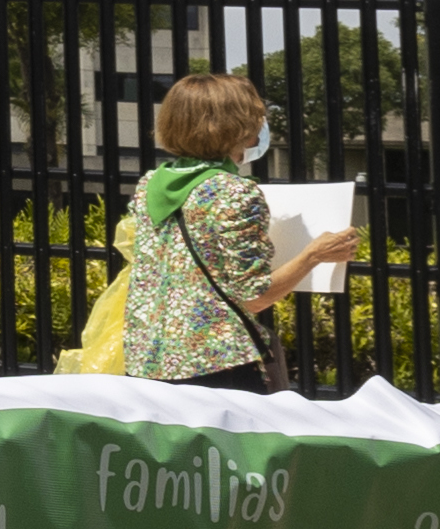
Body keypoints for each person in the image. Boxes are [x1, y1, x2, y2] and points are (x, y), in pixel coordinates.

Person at [122, 70, 365, 393]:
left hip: (148, 361)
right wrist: (313, 255)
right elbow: (255, 297)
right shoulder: (235, 192)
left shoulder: (149, 184)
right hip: (216, 364)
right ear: (237, 128)